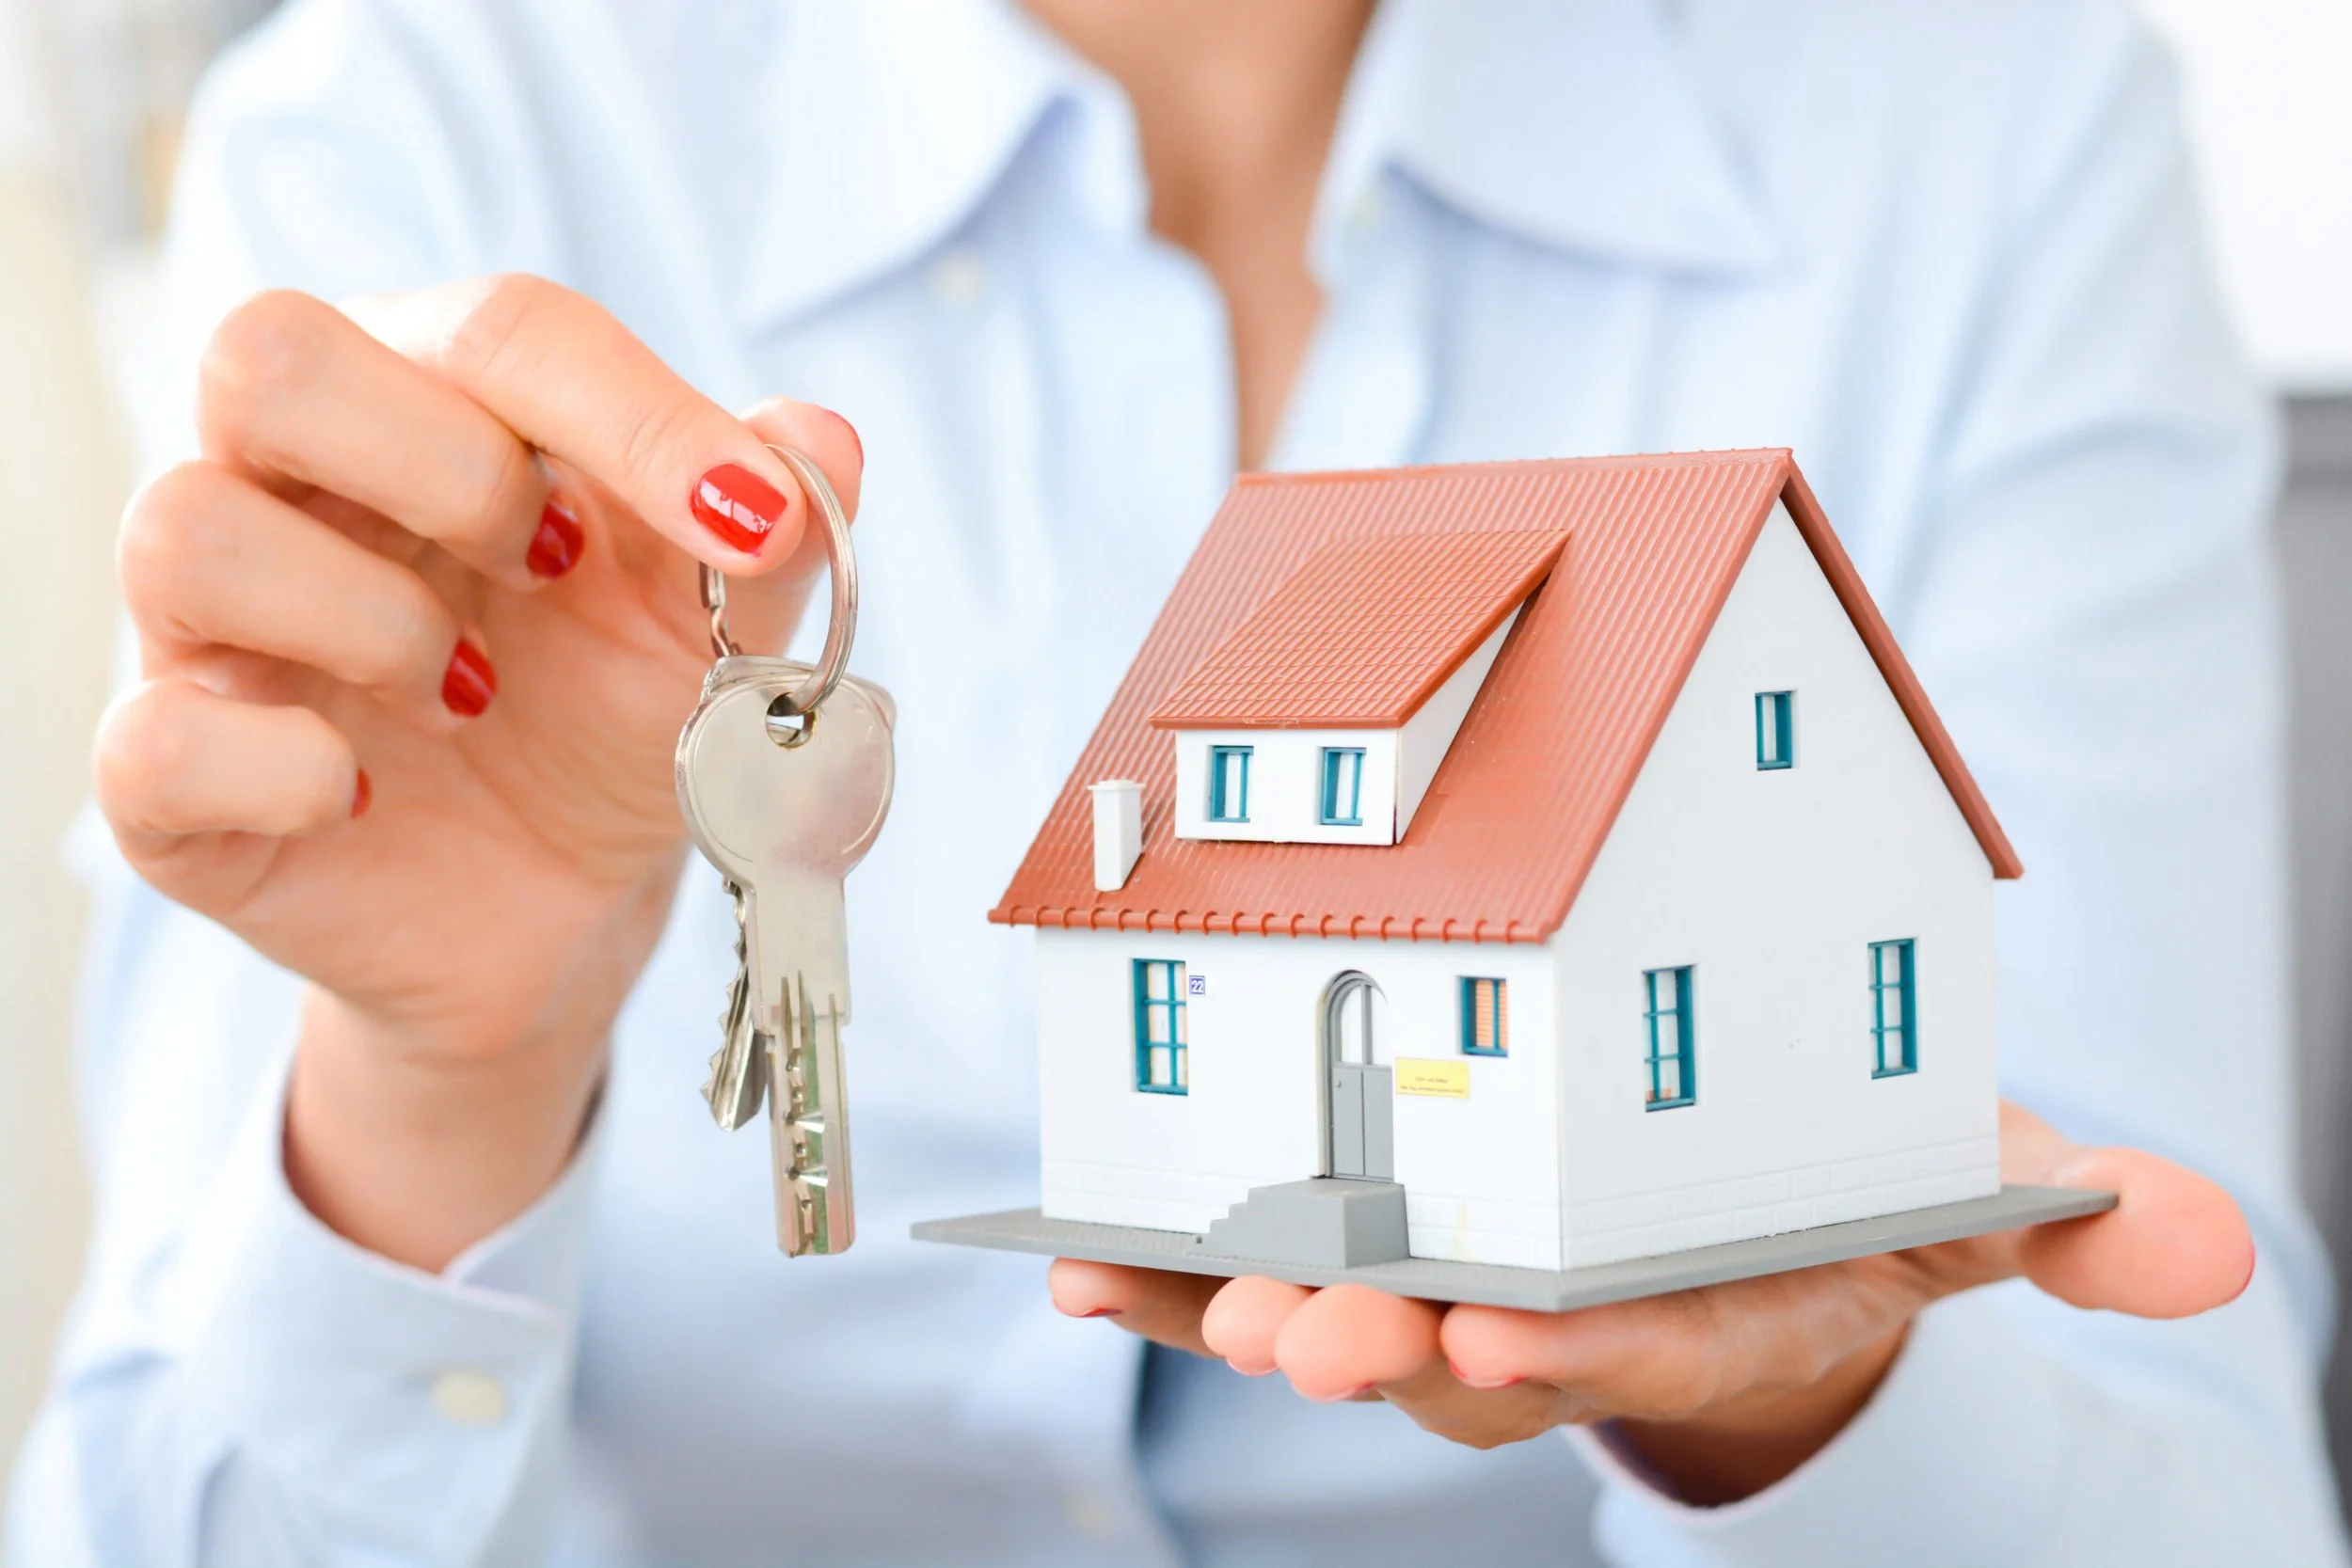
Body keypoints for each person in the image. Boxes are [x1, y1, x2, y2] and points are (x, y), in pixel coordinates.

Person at [8, 0, 2345, 1561]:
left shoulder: (1996, 114)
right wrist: (443, 1083)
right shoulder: (422, 122)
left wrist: (1806, 1419)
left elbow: (2199, 1487)